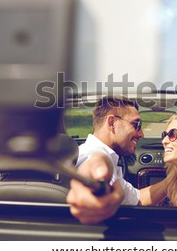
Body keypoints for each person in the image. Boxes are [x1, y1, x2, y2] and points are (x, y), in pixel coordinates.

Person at [67, 96, 168, 224]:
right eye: (136, 125)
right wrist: (95, 177)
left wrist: (173, 181)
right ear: (112, 123)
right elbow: (94, 164)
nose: (142, 134)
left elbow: (138, 199)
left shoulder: (107, 155)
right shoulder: (93, 154)